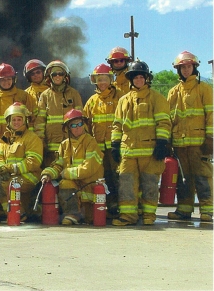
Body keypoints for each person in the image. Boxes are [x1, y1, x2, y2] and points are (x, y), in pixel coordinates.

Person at [111, 59, 171, 226]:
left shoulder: (156, 99)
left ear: (146, 79)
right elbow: (117, 125)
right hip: (128, 152)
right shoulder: (123, 100)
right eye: (135, 77)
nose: (138, 80)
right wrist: (115, 145)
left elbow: (164, 122)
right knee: (127, 185)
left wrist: (161, 143)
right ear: (131, 79)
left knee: (150, 184)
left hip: (150, 151)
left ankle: (149, 216)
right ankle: (128, 216)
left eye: (141, 77)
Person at [166, 51, 213, 222]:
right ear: (178, 70)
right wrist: (168, 141)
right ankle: (184, 210)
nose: (186, 70)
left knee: (202, 177)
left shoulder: (204, 89)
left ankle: (207, 211)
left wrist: (210, 137)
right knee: (183, 180)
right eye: (182, 67)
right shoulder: (173, 92)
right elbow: (169, 119)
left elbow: (211, 114)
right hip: (180, 144)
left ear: (194, 67)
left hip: (200, 144)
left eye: (188, 66)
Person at [41, 109, 104, 225]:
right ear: (67, 129)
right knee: (64, 183)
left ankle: (81, 215)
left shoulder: (91, 142)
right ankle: (73, 213)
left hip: (89, 192)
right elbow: (58, 166)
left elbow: (88, 168)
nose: (77, 127)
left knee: (90, 218)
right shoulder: (64, 145)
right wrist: (48, 174)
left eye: (80, 124)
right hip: (75, 190)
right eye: (73, 125)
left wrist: (67, 173)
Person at [83, 64, 125, 218]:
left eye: (105, 79)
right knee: (103, 177)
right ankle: (109, 206)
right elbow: (86, 125)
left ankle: (126, 207)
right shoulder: (92, 101)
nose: (102, 82)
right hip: (99, 149)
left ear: (111, 79)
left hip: (116, 147)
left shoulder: (121, 97)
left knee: (119, 176)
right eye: (99, 79)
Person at [0, 102, 43, 221]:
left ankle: (18, 214)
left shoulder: (32, 138)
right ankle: (10, 211)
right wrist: (1, 168)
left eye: (19, 119)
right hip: (13, 177)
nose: (16, 122)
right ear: (8, 121)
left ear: (25, 121)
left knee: (1, 185)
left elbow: (34, 161)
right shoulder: (6, 139)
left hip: (30, 177)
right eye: (13, 120)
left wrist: (10, 168)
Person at [34, 60, 83, 167]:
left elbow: (81, 119)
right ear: (49, 77)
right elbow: (40, 121)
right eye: (54, 74)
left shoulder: (74, 94)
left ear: (65, 75)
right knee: (52, 174)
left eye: (60, 74)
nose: (57, 76)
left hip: (71, 142)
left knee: (70, 173)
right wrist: (41, 142)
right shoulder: (45, 96)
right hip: (51, 145)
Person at [0, 63, 37, 155]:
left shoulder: (23, 96)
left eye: (8, 79)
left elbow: (32, 119)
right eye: (2, 80)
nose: (6, 82)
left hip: (21, 141)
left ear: (13, 79)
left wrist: (30, 138)